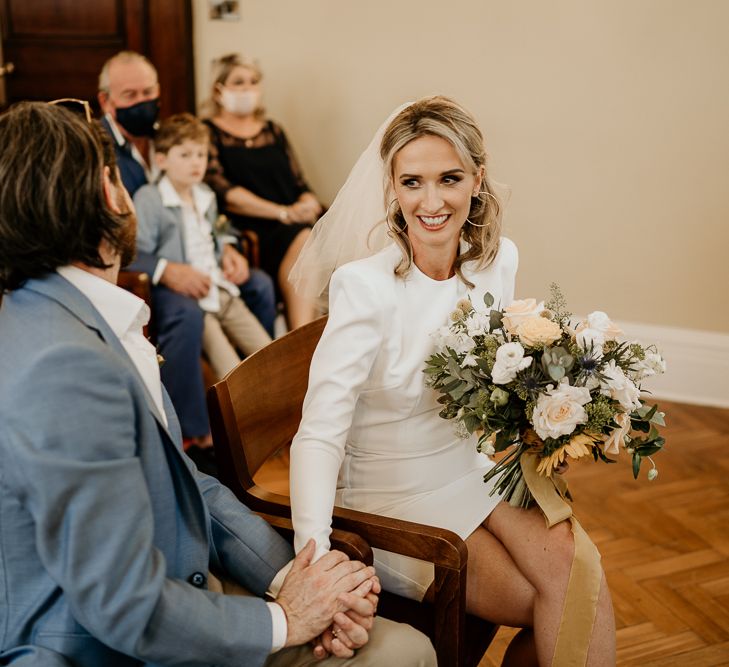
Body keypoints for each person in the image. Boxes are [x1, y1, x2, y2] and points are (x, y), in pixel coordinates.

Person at [0, 101, 437, 667]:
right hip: (111, 647)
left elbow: (188, 486)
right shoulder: (64, 365)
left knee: (397, 644)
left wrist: (294, 579)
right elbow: (124, 606)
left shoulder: (71, 319)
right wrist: (287, 619)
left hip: (186, 588)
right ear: (109, 196)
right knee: (405, 655)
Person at [289, 97, 617, 666]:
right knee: (558, 600)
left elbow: (502, 374)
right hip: (394, 498)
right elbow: (318, 434)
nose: (432, 201)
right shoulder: (363, 287)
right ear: (392, 187)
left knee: (577, 573)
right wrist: (315, 564)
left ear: (477, 180)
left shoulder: (497, 261)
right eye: (412, 182)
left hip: (475, 471)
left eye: (450, 179)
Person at [98, 51, 276, 451]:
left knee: (260, 288)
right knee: (188, 313)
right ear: (107, 100)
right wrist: (166, 269)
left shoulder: (189, 169)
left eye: (149, 91)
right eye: (131, 94)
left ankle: (274, 413)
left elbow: (217, 226)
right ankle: (197, 432)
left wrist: (229, 248)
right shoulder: (106, 152)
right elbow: (125, 241)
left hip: (212, 278)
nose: (143, 100)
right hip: (149, 276)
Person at [133, 112, 271, 381]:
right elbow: (138, 250)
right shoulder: (150, 199)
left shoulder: (205, 194)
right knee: (232, 371)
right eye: (185, 155)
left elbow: (218, 233)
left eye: (201, 155)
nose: (196, 163)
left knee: (267, 350)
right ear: (161, 160)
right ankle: (242, 417)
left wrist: (228, 247)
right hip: (195, 299)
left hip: (222, 290)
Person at [203, 53, 321, 330]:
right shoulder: (209, 132)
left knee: (314, 234)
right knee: (304, 238)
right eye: (238, 82)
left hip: (291, 222)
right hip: (250, 231)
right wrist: (282, 213)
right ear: (219, 90)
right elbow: (225, 193)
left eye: (253, 81)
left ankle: (310, 338)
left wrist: (307, 203)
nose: (247, 88)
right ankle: (301, 338)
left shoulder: (273, 131)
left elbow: (300, 183)